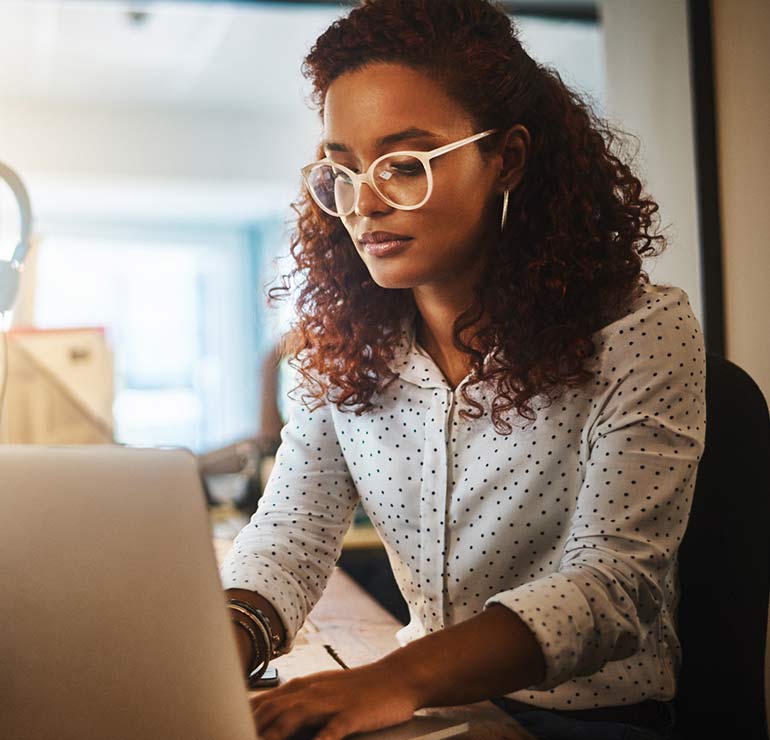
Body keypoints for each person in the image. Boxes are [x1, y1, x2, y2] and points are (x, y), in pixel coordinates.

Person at [218, 1, 704, 739]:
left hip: (595, 720)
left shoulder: (638, 332)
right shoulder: (344, 346)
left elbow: (614, 588)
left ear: (505, 158)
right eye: (342, 171)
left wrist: (394, 682)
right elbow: (290, 532)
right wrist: (222, 641)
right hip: (442, 712)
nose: (364, 204)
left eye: (404, 166)